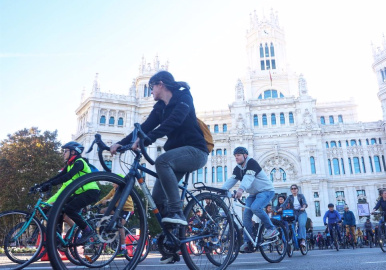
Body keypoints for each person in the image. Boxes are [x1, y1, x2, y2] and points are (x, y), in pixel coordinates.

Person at [110, 71, 209, 264]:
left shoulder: (183, 96)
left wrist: (147, 139)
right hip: (177, 156)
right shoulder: (159, 108)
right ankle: (172, 244)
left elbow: (176, 121)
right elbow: (144, 127)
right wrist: (121, 144)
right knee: (156, 200)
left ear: (160, 84)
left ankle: (177, 211)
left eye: (151, 87)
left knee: (162, 161)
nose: (151, 91)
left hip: (196, 151)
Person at [31, 141, 100, 244]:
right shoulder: (70, 165)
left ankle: (87, 230)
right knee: (58, 208)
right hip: (80, 193)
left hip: (91, 192)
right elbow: (57, 177)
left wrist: (51, 184)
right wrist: (41, 186)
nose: (63, 153)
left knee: (69, 209)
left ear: (73, 152)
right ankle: (58, 239)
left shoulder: (79, 162)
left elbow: (68, 176)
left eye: (65, 151)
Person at [222, 146, 278, 252]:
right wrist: (221, 191)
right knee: (246, 215)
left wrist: (240, 189)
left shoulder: (252, 163)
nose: (236, 158)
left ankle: (271, 228)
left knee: (255, 207)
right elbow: (232, 180)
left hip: (266, 191)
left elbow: (248, 177)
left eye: (238, 155)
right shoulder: (238, 168)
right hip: (253, 194)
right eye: (235, 156)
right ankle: (248, 242)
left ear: (245, 155)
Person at [94, 182, 134, 254]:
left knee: (120, 225)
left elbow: (116, 197)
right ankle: (106, 223)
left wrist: (108, 200)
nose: (112, 184)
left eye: (114, 183)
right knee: (103, 210)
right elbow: (106, 197)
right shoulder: (113, 190)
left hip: (127, 209)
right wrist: (95, 205)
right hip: (118, 208)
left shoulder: (123, 189)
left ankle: (123, 247)